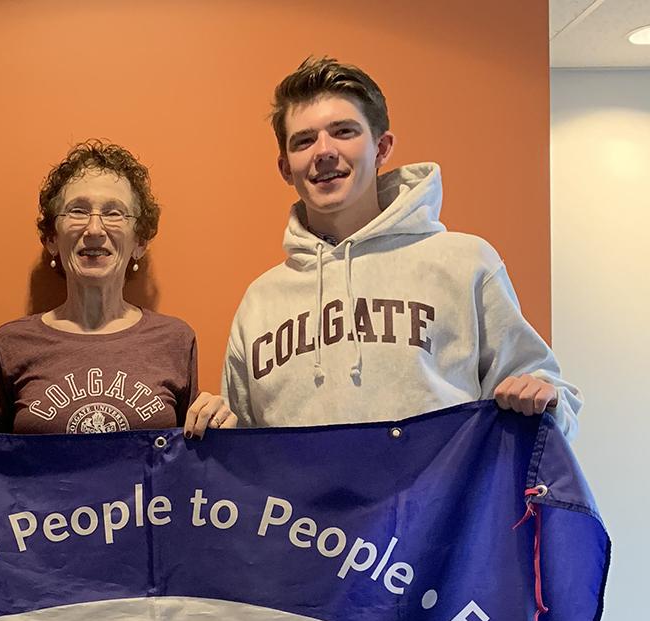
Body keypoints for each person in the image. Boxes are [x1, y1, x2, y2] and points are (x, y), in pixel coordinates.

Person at [222, 58, 581, 438]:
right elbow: (243, 452)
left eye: (344, 131)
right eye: (304, 140)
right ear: (285, 167)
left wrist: (546, 400)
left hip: (441, 499)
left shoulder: (465, 263)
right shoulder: (259, 302)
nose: (324, 151)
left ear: (381, 148)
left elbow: (553, 404)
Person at [0, 140, 234, 445]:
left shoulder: (175, 340)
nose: (94, 229)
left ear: (139, 242)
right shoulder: (10, 345)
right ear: (52, 239)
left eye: (114, 213)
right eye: (78, 211)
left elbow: (188, 466)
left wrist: (214, 424)